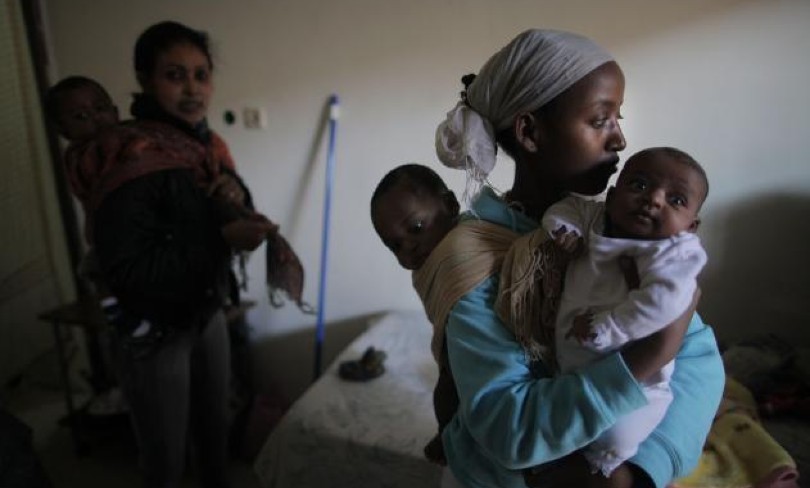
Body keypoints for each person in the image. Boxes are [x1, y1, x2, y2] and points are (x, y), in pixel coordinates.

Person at [431, 29, 724, 488]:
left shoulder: (620, 231)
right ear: (530, 132)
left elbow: (699, 360)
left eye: (619, 119)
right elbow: (508, 426)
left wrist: (641, 472)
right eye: (601, 120)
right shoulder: (474, 258)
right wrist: (646, 355)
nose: (621, 141)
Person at [79, 21, 275, 488]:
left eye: (201, 74)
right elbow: (129, 269)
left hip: (206, 310)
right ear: (146, 80)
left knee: (215, 439)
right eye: (175, 75)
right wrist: (224, 241)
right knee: (165, 460)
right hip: (152, 332)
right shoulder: (130, 153)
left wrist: (235, 193)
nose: (193, 89)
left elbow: (229, 206)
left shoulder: (205, 143)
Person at [541, 147, 709, 477]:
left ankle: (607, 459)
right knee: (560, 432)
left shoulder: (675, 254)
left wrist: (608, 328)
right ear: (613, 194)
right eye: (640, 185)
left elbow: (664, 303)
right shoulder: (596, 219)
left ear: (691, 226)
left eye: (676, 200)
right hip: (570, 364)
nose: (654, 200)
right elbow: (567, 207)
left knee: (615, 435)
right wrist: (565, 229)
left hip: (638, 382)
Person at [370, 163, 461, 463]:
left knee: (448, 387)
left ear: (450, 205)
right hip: (452, 346)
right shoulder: (430, 267)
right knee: (446, 383)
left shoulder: (470, 246)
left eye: (416, 228)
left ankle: (449, 435)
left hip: (467, 346)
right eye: (394, 245)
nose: (409, 246)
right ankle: (449, 433)